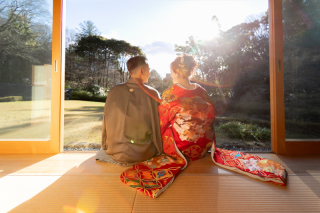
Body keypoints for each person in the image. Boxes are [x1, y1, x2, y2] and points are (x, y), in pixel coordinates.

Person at [120, 54, 287, 198]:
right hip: (202, 147)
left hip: (181, 148)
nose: (170, 75)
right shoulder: (202, 91)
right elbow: (211, 117)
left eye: (171, 71)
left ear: (176, 72)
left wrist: (156, 141)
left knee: (165, 125)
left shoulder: (170, 93)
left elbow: (161, 122)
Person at [96, 56, 162, 167]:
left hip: (113, 150)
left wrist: (105, 145)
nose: (149, 73)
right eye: (149, 70)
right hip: (141, 153)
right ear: (142, 71)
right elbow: (157, 127)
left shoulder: (113, 91)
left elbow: (105, 123)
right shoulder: (152, 93)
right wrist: (159, 150)